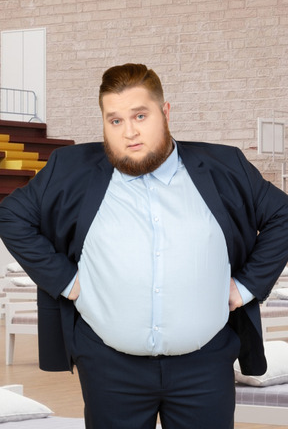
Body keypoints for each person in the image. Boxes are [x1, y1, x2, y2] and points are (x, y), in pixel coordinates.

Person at [0, 63, 288, 429]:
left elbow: (283, 216)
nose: (129, 132)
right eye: (115, 120)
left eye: (140, 115)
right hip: (108, 368)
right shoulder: (70, 168)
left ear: (165, 112)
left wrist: (245, 287)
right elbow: (11, 217)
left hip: (205, 366)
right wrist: (67, 282)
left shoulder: (224, 165)